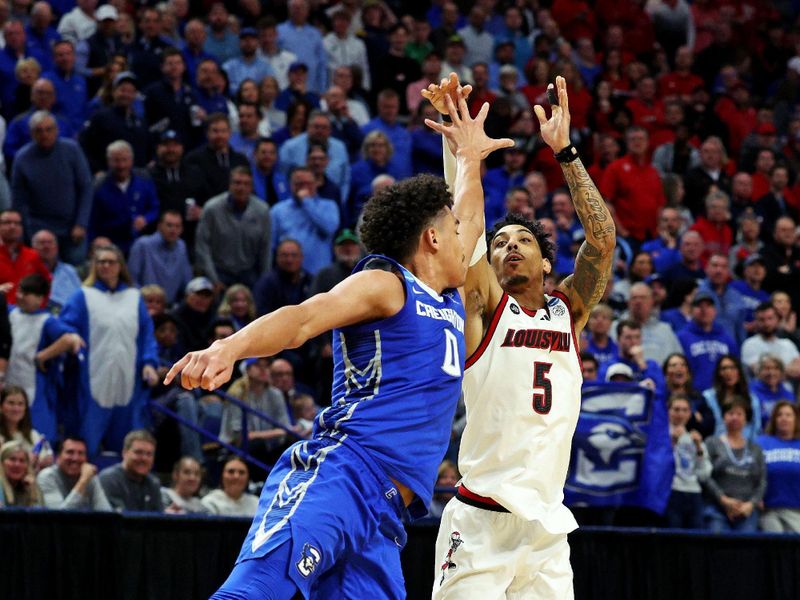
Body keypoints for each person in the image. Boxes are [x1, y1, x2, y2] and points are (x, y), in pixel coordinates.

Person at [165, 75, 511, 598]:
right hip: (342, 474)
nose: (470, 237)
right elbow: (304, 317)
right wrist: (227, 348)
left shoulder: (448, 298)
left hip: (386, 517)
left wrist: (468, 156)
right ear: (432, 238)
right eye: (456, 233)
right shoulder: (388, 283)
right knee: (252, 593)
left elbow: (469, 208)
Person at [431, 76, 615, 598]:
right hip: (480, 523)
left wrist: (566, 152)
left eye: (522, 241)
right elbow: (464, 238)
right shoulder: (487, 310)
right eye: (501, 243)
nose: (509, 247)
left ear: (546, 261)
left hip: (546, 531)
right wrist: (463, 157)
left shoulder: (569, 312)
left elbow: (602, 244)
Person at [60, 245, 159, 457]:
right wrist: (71, 337)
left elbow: (146, 333)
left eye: (111, 262)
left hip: (127, 378)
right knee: (87, 442)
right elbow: (66, 327)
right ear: (94, 266)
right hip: (93, 377)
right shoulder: (82, 296)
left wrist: (150, 362)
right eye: (101, 262)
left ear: (120, 266)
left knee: (126, 443)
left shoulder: (134, 297)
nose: (106, 266)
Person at [6, 274, 83, 440]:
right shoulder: (10, 312)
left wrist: (43, 356)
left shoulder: (47, 320)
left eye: (26, 294)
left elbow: (70, 340)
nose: (19, 296)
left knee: (38, 436)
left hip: (33, 387)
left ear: (40, 299)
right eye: (19, 291)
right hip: (8, 382)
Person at [10, 111, 92, 265]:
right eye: (39, 130)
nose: (44, 134)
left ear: (57, 130)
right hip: (39, 226)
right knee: (39, 270)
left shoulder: (72, 150)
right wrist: (26, 232)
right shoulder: (22, 158)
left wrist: (81, 223)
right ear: (32, 134)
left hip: (72, 225)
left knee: (76, 263)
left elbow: (86, 188)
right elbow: (18, 200)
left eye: (48, 129)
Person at [196, 166, 271, 289]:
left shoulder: (262, 210)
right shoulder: (211, 208)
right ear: (229, 185)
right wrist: (213, 279)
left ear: (251, 187)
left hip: (249, 273)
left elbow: (265, 248)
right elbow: (202, 246)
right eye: (237, 183)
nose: (241, 188)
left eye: (246, 184)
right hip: (219, 272)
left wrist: (264, 280)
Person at [702, 397, 766, 533]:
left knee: (746, 549)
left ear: (746, 419)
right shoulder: (712, 443)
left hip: (747, 510)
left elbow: (762, 481)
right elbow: (705, 475)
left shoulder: (755, 449)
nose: (735, 418)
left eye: (739, 414)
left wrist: (750, 504)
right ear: (724, 417)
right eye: (731, 414)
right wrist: (723, 500)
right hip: (716, 508)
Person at [665, 393, 712, 529]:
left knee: (696, 541)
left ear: (690, 413)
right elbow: (658, 468)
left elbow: (704, 474)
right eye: (676, 409)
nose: (680, 414)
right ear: (668, 411)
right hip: (671, 492)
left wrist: (698, 448)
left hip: (694, 493)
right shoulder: (661, 437)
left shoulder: (695, 438)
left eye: (685, 410)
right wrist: (672, 442)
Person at [128, 210, 193, 304]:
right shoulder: (142, 244)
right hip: (145, 306)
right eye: (169, 225)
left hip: (171, 308)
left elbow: (187, 282)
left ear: (182, 229)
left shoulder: (181, 246)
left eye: (177, 226)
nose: (173, 230)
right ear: (159, 226)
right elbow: (131, 280)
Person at [36, 436, 112, 510]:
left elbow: (106, 512)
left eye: (81, 453)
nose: (75, 458)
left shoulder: (89, 477)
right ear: (58, 457)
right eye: (70, 452)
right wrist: (83, 481)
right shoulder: (47, 476)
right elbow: (58, 518)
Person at [757, 402, 800, 533]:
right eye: (779, 415)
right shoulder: (761, 443)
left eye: (788, 415)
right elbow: (753, 473)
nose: (784, 418)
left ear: (796, 419)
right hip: (768, 510)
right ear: (774, 420)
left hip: (796, 510)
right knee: (775, 548)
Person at [98, 429, 163, 512]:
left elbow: (159, 519)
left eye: (149, 454)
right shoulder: (109, 479)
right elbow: (120, 520)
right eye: (138, 452)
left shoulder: (153, 483)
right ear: (124, 453)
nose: (144, 458)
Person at [0, 440, 43, 507]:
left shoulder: (29, 485)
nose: (17, 464)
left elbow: (41, 514)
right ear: (2, 463)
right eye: (12, 459)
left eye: (22, 460)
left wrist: (33, 491)